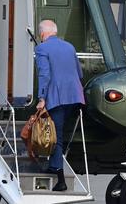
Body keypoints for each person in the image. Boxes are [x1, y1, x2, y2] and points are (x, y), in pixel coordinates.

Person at [34, 20, 85, 191]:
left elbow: (45, 74)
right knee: (59, 133)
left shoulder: (42, 48)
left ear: (42, 34)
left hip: (57, 97)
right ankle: (53, 165)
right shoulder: (69, 47)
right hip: (74, 96)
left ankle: (60, 179)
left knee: (56, 136)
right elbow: (79, 72)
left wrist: (41, 98)